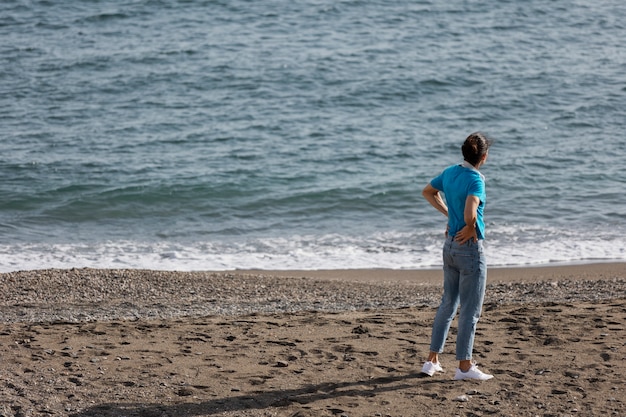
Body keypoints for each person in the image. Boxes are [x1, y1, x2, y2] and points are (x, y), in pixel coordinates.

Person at [420, 132, 494, 381]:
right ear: (483, 157)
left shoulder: (450, 172)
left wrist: (448, 216)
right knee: (471, 311)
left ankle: (432, 361)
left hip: (449, 246)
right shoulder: (476, 180)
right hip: (469, 250)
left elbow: (428, 192)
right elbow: (471, 211)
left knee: (448, 303)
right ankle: (464, 367)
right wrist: (470, 225)